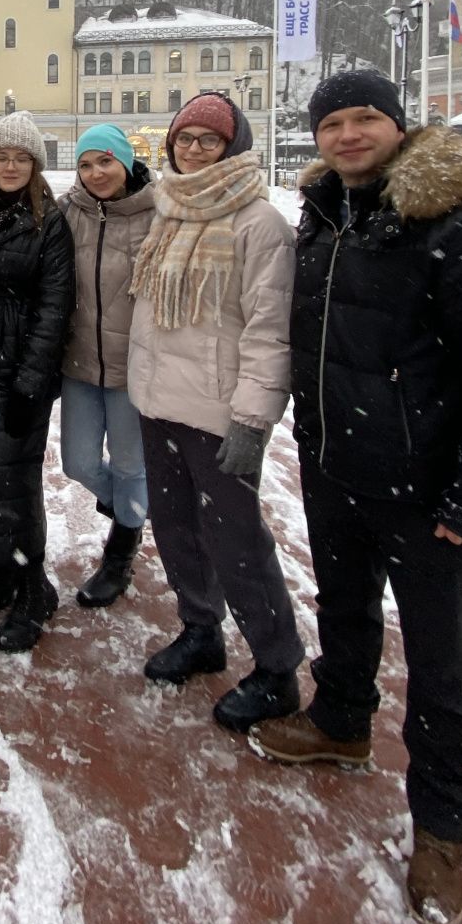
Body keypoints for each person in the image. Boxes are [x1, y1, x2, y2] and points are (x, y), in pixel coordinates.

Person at [249, 70, 462, 924]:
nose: (348, 136)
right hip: (337, 466)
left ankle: (442, 824)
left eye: (365, 120)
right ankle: (341, 722)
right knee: (342, 608)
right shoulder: (326, 221)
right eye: (332, 123)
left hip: (428, 491)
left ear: (398, 125)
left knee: (439, 654)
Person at [128, 92, 304, 731]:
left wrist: (253, 421)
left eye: (209, 140)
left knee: (238, 541)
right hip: (158, 404)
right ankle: (201, 629)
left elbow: (269, 330)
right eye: (185, 138)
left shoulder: (260, 224)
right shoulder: (168, 210)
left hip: (218, 414)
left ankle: (278, 667)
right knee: (174, 527)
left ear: (233, 147)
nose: (194, 149)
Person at [0, 113, 75, 651]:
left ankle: (34, 584)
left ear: (35, 165)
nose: (9, 166)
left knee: (16, 476)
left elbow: (55, 307)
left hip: (19, 362)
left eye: (20, 158)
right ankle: (6, 565)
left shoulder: (49, 222)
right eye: (1, 156)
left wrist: (31, 379)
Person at [58, 124, 155, 606]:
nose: (95, 173)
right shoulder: (67, 212)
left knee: (131, 464)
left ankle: (120, 553)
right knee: (76, 463)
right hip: (78, 364)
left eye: (105, 161)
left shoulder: (158, 213)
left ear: (126, 163)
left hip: (131, 369)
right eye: (85, 164)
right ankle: (129, 508)